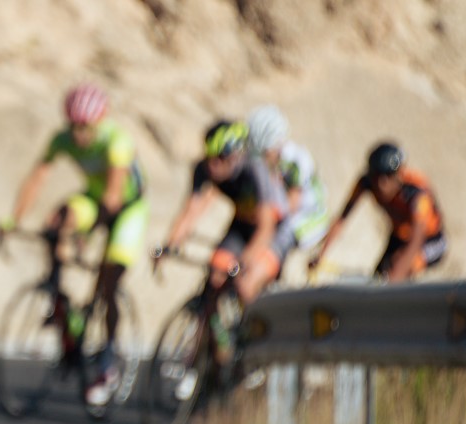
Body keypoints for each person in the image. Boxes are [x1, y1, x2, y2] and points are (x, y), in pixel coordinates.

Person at [0, 83, 150, 405]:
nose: (79, 135)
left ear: (100, 121)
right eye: (74, 127)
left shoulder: (116, 141)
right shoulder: (62, 139)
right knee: (56, 222)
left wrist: (83, 236)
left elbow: (112, 198)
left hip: (127, 208)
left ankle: (108, 359)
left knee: (108, 283)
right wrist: (14, 219)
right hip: (95, 199)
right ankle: (58, 300)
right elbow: (38, 176)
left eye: (86, 128)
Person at [160, 120, 289, 307]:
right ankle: (210, 332)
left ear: (235, 156)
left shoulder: (255, 171)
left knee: (244, 284)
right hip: (242, 225)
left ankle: (255, 331)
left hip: (275, 229)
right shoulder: (204, 170)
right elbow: (190, 212)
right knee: (215, 276)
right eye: (209, 157)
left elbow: (266, 227)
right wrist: (169, 245)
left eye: (220, 158)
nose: (212, 165)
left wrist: (244, 261)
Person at [310, 142, 446, 282]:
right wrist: (320, 254)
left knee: (402, 267)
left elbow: (417, 239)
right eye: (377, 177)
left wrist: (394, 279)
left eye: (388, 176)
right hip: (399, 236)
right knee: (378, 277)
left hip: (430, 239)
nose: (382, 185)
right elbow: (342, 219)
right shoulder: (366, 182)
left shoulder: (416, 193)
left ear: (399, 174)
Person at [245, 105, 330, 258]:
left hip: (306, 218)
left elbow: (292, 204)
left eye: (265, 153)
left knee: (268, 250)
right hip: (283, 214)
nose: (262, 159)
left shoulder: (296, 160)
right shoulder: (266, 159)